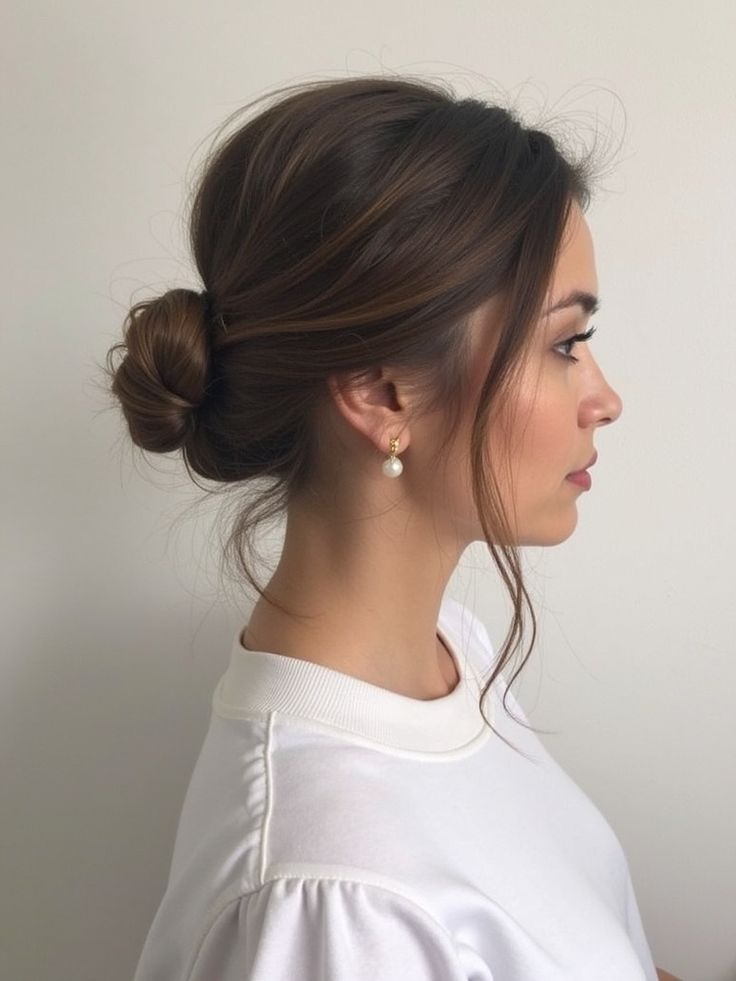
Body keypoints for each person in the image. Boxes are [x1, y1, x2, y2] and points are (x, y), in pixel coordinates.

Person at [105, 75, 682, 980]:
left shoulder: (453, 653)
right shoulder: (330, 902)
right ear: (380, 393)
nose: (605, 398)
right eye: (564, 344)